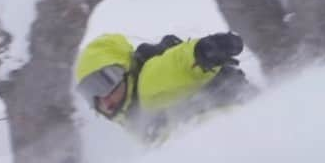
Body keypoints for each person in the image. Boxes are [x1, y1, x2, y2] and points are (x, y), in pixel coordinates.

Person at [75, 30, 253, 141]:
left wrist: (202, 52)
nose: (104, 99)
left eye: (106, 81)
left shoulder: (147, 84)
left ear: (125, 69)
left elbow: (174, 65)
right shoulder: (128, 116)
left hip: (235, 129)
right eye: (92, 94)